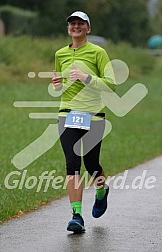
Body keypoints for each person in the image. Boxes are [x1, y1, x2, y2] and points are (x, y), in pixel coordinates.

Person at [52, 11, 115, 233]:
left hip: (93, 115)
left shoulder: (98, 52)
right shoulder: (60, 53)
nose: (76, 27)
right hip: (66, 114)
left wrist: (87, 78)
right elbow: (59, 86)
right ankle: (76, 216)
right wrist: (57, 83)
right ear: (68, 29)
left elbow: (111, 85)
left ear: (88, 28)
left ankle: (101, 191)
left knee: (91, 164)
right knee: (72, 163)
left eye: (80, 23)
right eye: (72, 24)